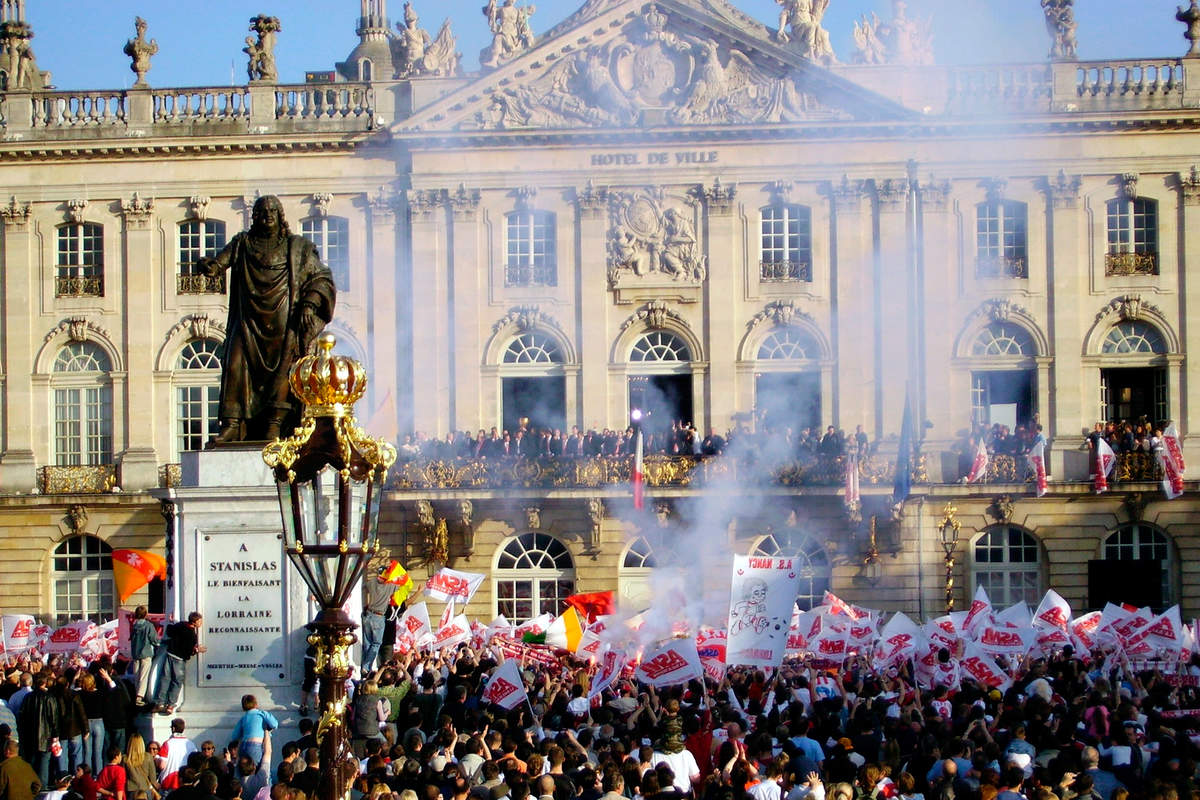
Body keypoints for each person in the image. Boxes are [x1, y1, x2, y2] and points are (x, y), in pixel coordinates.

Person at [196, 194, 336, 443]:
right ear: (256, 216)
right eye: (262, 211)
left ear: (280, 215)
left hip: (284, 315)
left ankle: (275, 423)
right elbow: (220, 262)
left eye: (273, 210)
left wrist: (309, 303)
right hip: (248, 316)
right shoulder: (243, 243)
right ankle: (231, 423)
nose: (268, 214)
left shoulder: (297, 247)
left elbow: (322, 277)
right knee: (234, 363)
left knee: (283, 367)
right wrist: (210, 265)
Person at [154, 614, 206, 715]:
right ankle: (170, 705)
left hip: (170, 655)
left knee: (165, 679)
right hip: (179, 659)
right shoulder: (191, 634)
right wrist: (196, 649)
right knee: (177, 682)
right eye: (199, 621)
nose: (201, 623)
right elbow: (188, 650)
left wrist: (171, 622)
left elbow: (169, 631)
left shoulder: (181, 625)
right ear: (194, 622)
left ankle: (160, 703)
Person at [228, 696, 277, 771]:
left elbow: (234, 736)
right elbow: (274, 724)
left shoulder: (243, 718)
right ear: (256, 704)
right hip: (256, 746)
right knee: (259, 771)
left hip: (243, 746)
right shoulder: (262, 714)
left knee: (244, 772)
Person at [129, 608, 160, 707]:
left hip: (135, 654)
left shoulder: (134, 626)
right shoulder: (148, 625)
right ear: (145, 614)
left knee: (137, 676)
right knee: (144, 676)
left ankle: (136, 696)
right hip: (146, 653)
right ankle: (139, 697)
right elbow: (154, 639)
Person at [156, 719, 196, 792]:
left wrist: (156, 760)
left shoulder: (167, 744)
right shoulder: (191, 744)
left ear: (173, 728)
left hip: (169, 782)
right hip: (186, 783)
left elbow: (162, 765)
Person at [123, 735, 159, 800]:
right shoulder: (148, 757)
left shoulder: (125, 758)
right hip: (145, 790)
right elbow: (153, 779)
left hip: (131, 790)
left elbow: (123, 777)